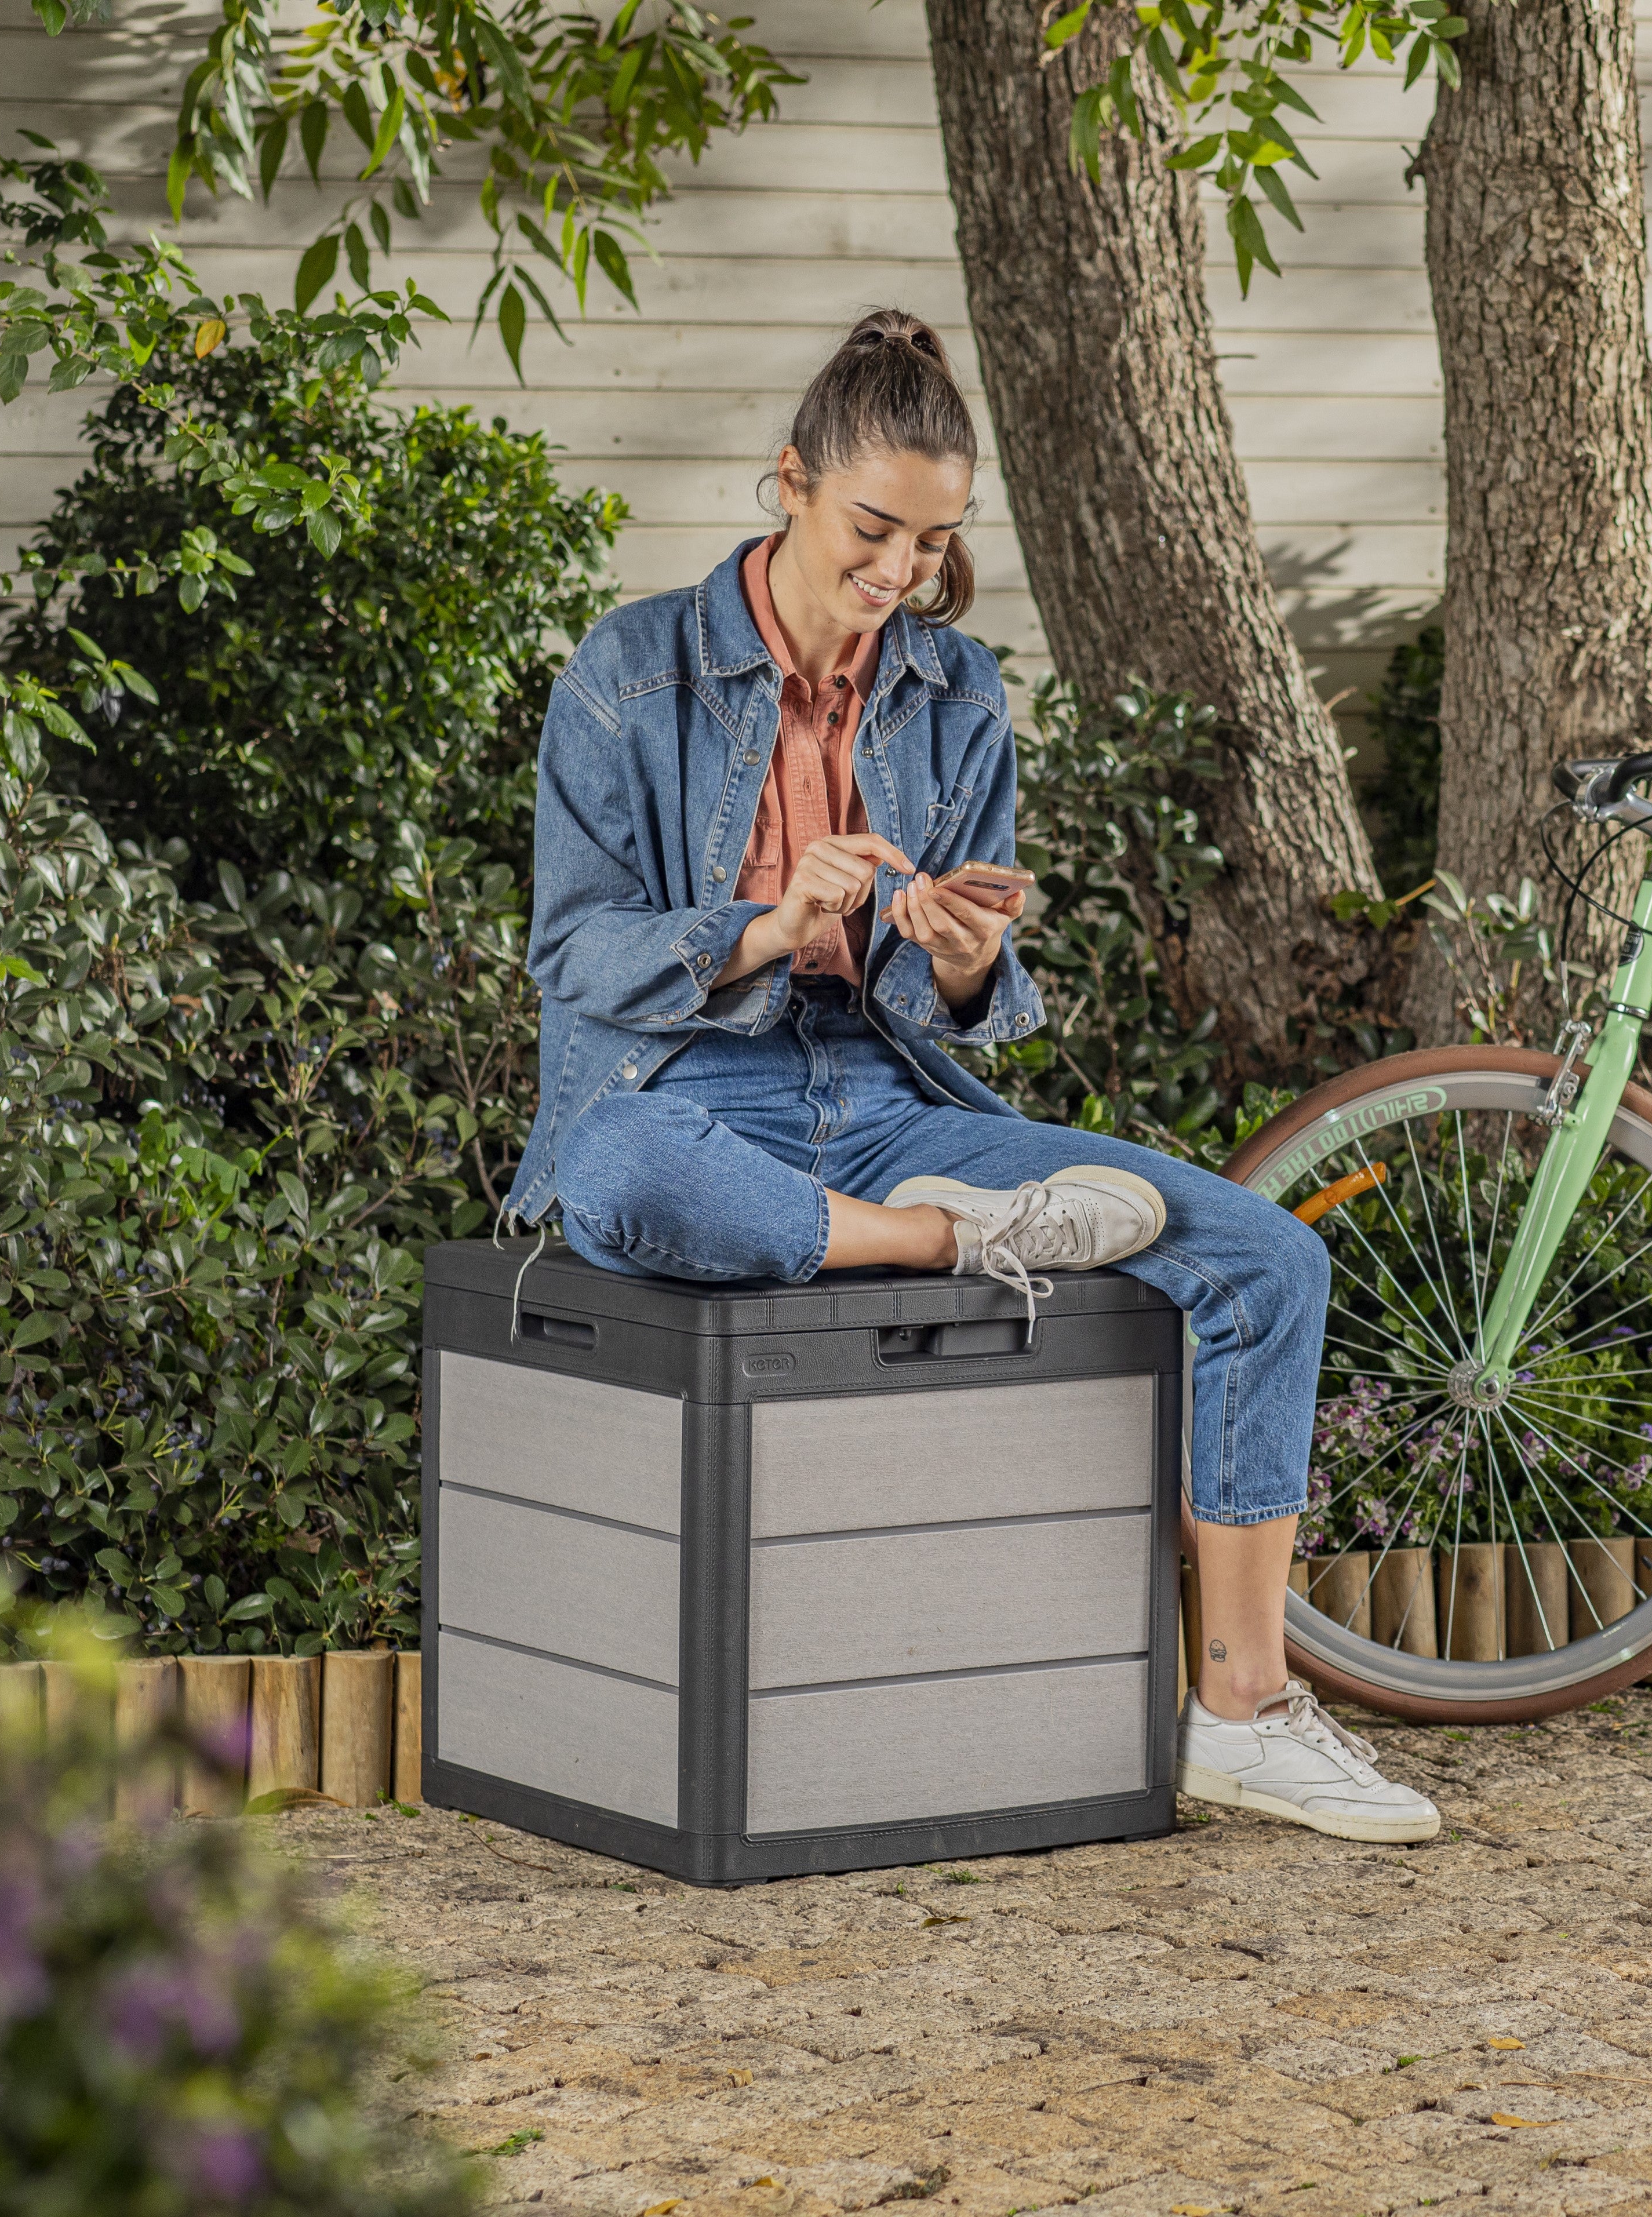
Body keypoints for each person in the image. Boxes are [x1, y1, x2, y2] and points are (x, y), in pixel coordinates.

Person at [503, 308, 1436, 1847]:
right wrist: (767, 923)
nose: (898, 576)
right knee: (613, 1177)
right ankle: (958, 1239)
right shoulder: (632, 669)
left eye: (933, 545)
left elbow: (969, 996)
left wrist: (946, 957)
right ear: (788, 482)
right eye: (873, 530)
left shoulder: (955, 688)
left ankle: (1245, 1711)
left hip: (881, 1106)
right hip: (687, 1092)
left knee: (1269, 1255)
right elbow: (575, 953)